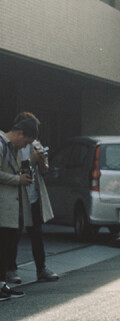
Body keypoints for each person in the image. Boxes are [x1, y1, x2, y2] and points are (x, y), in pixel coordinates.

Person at [13, 111, 57, 283]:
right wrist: (31, 160)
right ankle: (11, 269)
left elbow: (45, 170)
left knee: (37, 233)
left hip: (33, 194)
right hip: (18, 195)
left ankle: (42, 268)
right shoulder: (13, 146)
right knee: (14, 234)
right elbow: (15, 170)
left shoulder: (35, 144)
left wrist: (41, 160)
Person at [0, 116, 39, 300]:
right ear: (20, 133)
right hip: (3, 206)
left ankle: (2, 285)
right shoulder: (1, 144)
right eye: (26, 142)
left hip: (10, 207)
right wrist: (18, 180)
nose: (25, 147)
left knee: (6, 247)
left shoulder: (11, 147)